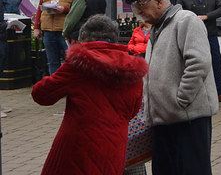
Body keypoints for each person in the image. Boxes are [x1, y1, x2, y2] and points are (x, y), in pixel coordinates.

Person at [31, 13, 148, 175]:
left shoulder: (78, 64)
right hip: (115, 144)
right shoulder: (133, 69)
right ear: (115, 38)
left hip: (78, 145)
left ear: (84, 37)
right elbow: (133, 110)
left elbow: (41, 95)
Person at [125, 0, 218, 175]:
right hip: (163, 117)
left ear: (159, 1)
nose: (138, 13)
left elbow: (198, 62)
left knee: (191, 169)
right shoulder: (157, 27)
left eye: (141, 6)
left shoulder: (185, 20)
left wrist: (181, 100)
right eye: (135, 9)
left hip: (187, 117)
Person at [176, 0, 221, 102]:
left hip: (210, 33)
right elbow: (178, 13)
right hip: (192, 35)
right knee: (193, 63)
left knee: (215, 61)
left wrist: (207, 16)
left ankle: (219, 91)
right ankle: (194, 93)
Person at [31, 0, 76, 74]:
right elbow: (39, 7)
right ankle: (54, 87)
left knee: (71, 60)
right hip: (48, 30)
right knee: (52, 62)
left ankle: (70, 85)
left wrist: (64, 9)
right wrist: (37, 27)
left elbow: (78, 7)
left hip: (65, 31)